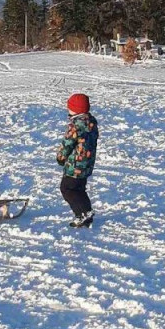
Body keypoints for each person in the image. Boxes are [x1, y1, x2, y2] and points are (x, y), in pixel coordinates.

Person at [57, 93, 99, 228]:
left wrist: (61, 158)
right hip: (87, 165)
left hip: (75, 165)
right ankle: (87, 213)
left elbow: (67, 144)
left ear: (75, 110)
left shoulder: (75, 125)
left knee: (67, 189)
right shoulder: (91, 123)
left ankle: (81, 214)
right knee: (80, 189)